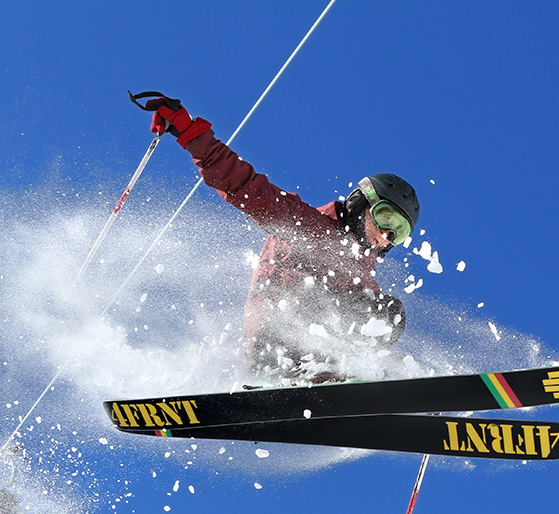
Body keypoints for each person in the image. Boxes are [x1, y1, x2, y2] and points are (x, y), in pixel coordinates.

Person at [140, 93, 419, 382]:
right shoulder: (307, 227)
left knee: (387, 313)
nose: (387, 235)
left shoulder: (361, 279)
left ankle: (379, 392)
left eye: (399, 233)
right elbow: (246, 188)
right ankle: (317, 378)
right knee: (320, 303)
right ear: (361, 204)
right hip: (275, 344)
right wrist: (191, 134)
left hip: (324, 358)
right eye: (386, 217)